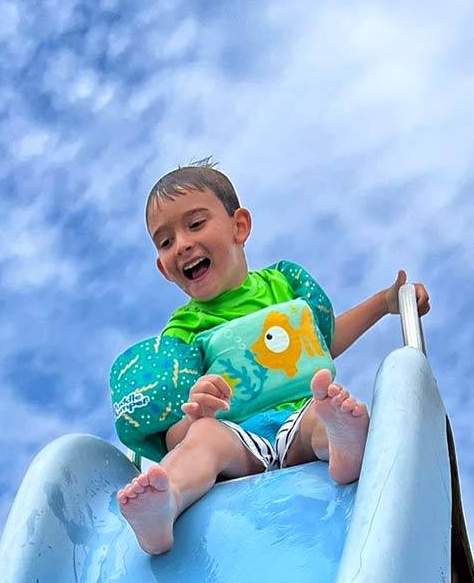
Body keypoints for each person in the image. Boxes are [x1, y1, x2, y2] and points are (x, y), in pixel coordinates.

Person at [116, 159, 430, 556]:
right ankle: (166, 502)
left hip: (297, 422)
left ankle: (341, 448)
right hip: (238, 445)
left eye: (195, 224)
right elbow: (176, 436)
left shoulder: (283, 285)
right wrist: (197, 413)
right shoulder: (182, 332)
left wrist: (385, 302)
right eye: (165, 242)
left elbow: (323, 343)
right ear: (164, 269)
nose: (182, 244)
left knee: (324, 409)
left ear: (239, 226)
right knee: (202, 441)